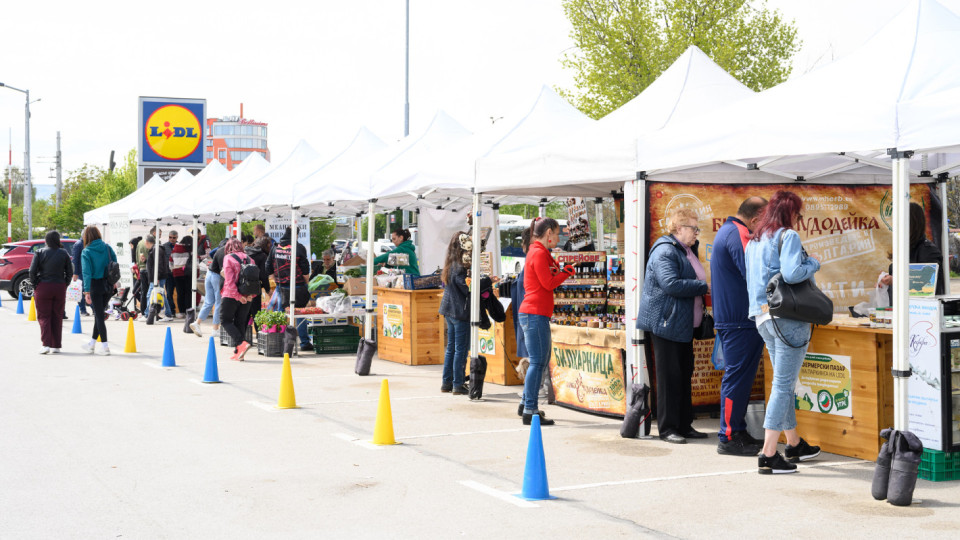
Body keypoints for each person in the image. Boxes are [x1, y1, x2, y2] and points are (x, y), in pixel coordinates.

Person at [746, 190, 822, 474]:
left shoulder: (754, 241)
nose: (799, 220)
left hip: (762, 317)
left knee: (783, 383)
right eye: (798, 214)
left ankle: (793, 444)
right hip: (787, 319)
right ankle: (768, 454)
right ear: (790, 213)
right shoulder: (787, 236)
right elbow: (792, 274)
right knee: (783, 385)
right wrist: (813, 262)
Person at [636, 207, 710, 445]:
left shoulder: (686, 249)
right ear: (679, 228)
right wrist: (702, 287)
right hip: (666, 323)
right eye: (693, 228)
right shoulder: (665, 250)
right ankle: (668, 428)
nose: (696, 232)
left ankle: (684, 425)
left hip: (682, 324)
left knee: (684, 374)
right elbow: (671, 284)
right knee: (669, 378)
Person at [711, 197, 769, 456]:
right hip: (739, 321)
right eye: (765, 222)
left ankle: (737, 429)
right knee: (737, 379)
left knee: (741, 379)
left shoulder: (729, 231)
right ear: (756, 218)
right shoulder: (739, 233)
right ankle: (729, 436)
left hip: (736, 319)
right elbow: (754, 272)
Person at [519, 217, 574, 426]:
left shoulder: (537, 252)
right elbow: (548, 283)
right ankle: (530, 408)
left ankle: (526, 403)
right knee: (538, 361)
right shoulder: (539, 253)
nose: (558, 238)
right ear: (548, 232)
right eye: (557, 233)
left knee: (539, 360)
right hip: (535, 312)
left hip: (534, 312)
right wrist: (566, 273)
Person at [880, 202, 946, 301]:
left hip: (921, 312)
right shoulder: (905, 249)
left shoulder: (929, 251)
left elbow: (927, 286)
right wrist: (885, 285)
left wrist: (894, 281)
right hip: (903, 312)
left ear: (911, 223)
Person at [266, 226, 312, 351]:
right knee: (300, 313)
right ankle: (304, 343)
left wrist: (275, 278)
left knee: (280, 314)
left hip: (281, 286)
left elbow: (268, 265)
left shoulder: (275, 247)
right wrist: (306, 283)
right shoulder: (299, 248)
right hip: (298, 286)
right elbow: (305, 270)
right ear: (296, 235)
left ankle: (279, 342)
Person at [438, 232, 472, 395]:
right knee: (460, 349)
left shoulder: (450, 263)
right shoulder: (460, 266)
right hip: (459, 312)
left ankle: (447, 382)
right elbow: (465, 288)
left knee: (451, 348)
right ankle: (458, 384)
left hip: (449, 311)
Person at [30, 230, 73, 354]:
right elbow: (69, 271)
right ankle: (56, 345)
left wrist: (35, 285)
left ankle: (46, 344)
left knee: (44, 316)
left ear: (46, 240)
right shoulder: (64, 253)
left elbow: (32, 271)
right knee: (57, 315)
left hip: (43, 286)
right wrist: (65, 283)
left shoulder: (39, 252)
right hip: (59, 286)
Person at [80, 226, 118, 355]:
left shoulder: (86, 251)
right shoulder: (107, 247)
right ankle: (91, 344)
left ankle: (105, 346)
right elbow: (115, 262)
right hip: (108, 284)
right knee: (99, 314)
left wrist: (86, 292)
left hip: (94, 285)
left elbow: (86, 273)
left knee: (99, 316)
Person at [220, 238, 257, 361]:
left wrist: (237, 296)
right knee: (240, 322)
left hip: (231, 295)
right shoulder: (250, 259)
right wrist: (250, 295)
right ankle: (238, 352)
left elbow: (229, 281)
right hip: (248, 296)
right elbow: (254, 280)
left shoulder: (228, 258)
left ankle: (241, 343)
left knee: (225, 320)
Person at [190, 237, 227, 337]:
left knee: (208, 301)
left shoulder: (217, 250)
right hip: (217, 277)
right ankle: (215, 329)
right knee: (219, 303)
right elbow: (223, 271)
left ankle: (197, 322)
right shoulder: (224, 252)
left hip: (209, 274)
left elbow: (210, 254)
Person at [145, 235, 174, 321]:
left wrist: (156, 277)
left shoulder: (156, 250)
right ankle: (168, 314)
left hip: (157, 277)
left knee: (150, 295)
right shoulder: (156, 250)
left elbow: (159, 265)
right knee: (161, 295)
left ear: (147, 243)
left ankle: (147, 314)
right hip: (158, 276)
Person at [244, 235, 271, 328]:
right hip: (255, 287)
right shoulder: (262, 256)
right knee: (256, 312)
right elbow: (263, 275)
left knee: (245, 312)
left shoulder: (246, 252)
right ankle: (259, 335)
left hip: (243, 286)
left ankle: (241, 337)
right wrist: (268, 289)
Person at [171, 235, 193, 317]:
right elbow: (196, 262)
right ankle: (188, 310)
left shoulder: (175, 249)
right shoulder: (190, 249)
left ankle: (181, 312)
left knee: (180, 293)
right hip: (188, 273)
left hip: (177, 274)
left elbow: (170, 261)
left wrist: (173, 269)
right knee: (188, 292)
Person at [136, 227, 155, 315]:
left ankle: (143, 311)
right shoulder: (149, 245)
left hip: (141, 269)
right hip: (148, 269)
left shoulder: (139, 243)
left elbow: (136, 256)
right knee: (149, 292)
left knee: (144, 291)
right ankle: (147, 311)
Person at [71, 234, 90, 317]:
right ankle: (83, 310)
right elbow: (75, 259)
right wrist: (75, 273)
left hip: (87, 271)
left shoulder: (88, 243)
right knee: (81, 291)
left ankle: (92, 308)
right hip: (80, 272)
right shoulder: (78, 244)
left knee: (87, 290)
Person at [163, 230, 178, 317]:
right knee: (169, 293)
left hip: (178, 273)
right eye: (170, 237)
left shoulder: (180, 246)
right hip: (168, 274)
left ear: (177, 238)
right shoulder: (164, 246)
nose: (172, 239)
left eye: (174, 238)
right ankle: (171, 310)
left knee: (180, 293)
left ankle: (179, 310)